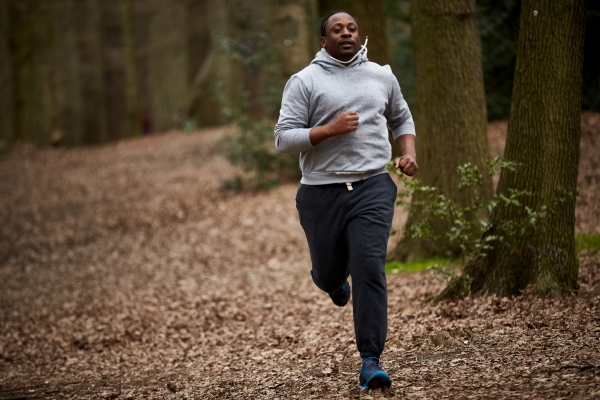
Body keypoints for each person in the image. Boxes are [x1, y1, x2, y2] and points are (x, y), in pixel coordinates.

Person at [274, 10, 417, 391]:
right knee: (327, 273)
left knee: (369, 267)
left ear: (359, 34)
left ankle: (371, 360)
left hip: (372, 186)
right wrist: (329, 130)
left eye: (352, 27)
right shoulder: (304, 81)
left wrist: (408, 152)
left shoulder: (381, 75)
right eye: (337, 29)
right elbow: (283, 138)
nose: (346, 33)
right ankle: (333, 283)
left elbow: (401, 117)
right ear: (324, 41)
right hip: (321, 192)